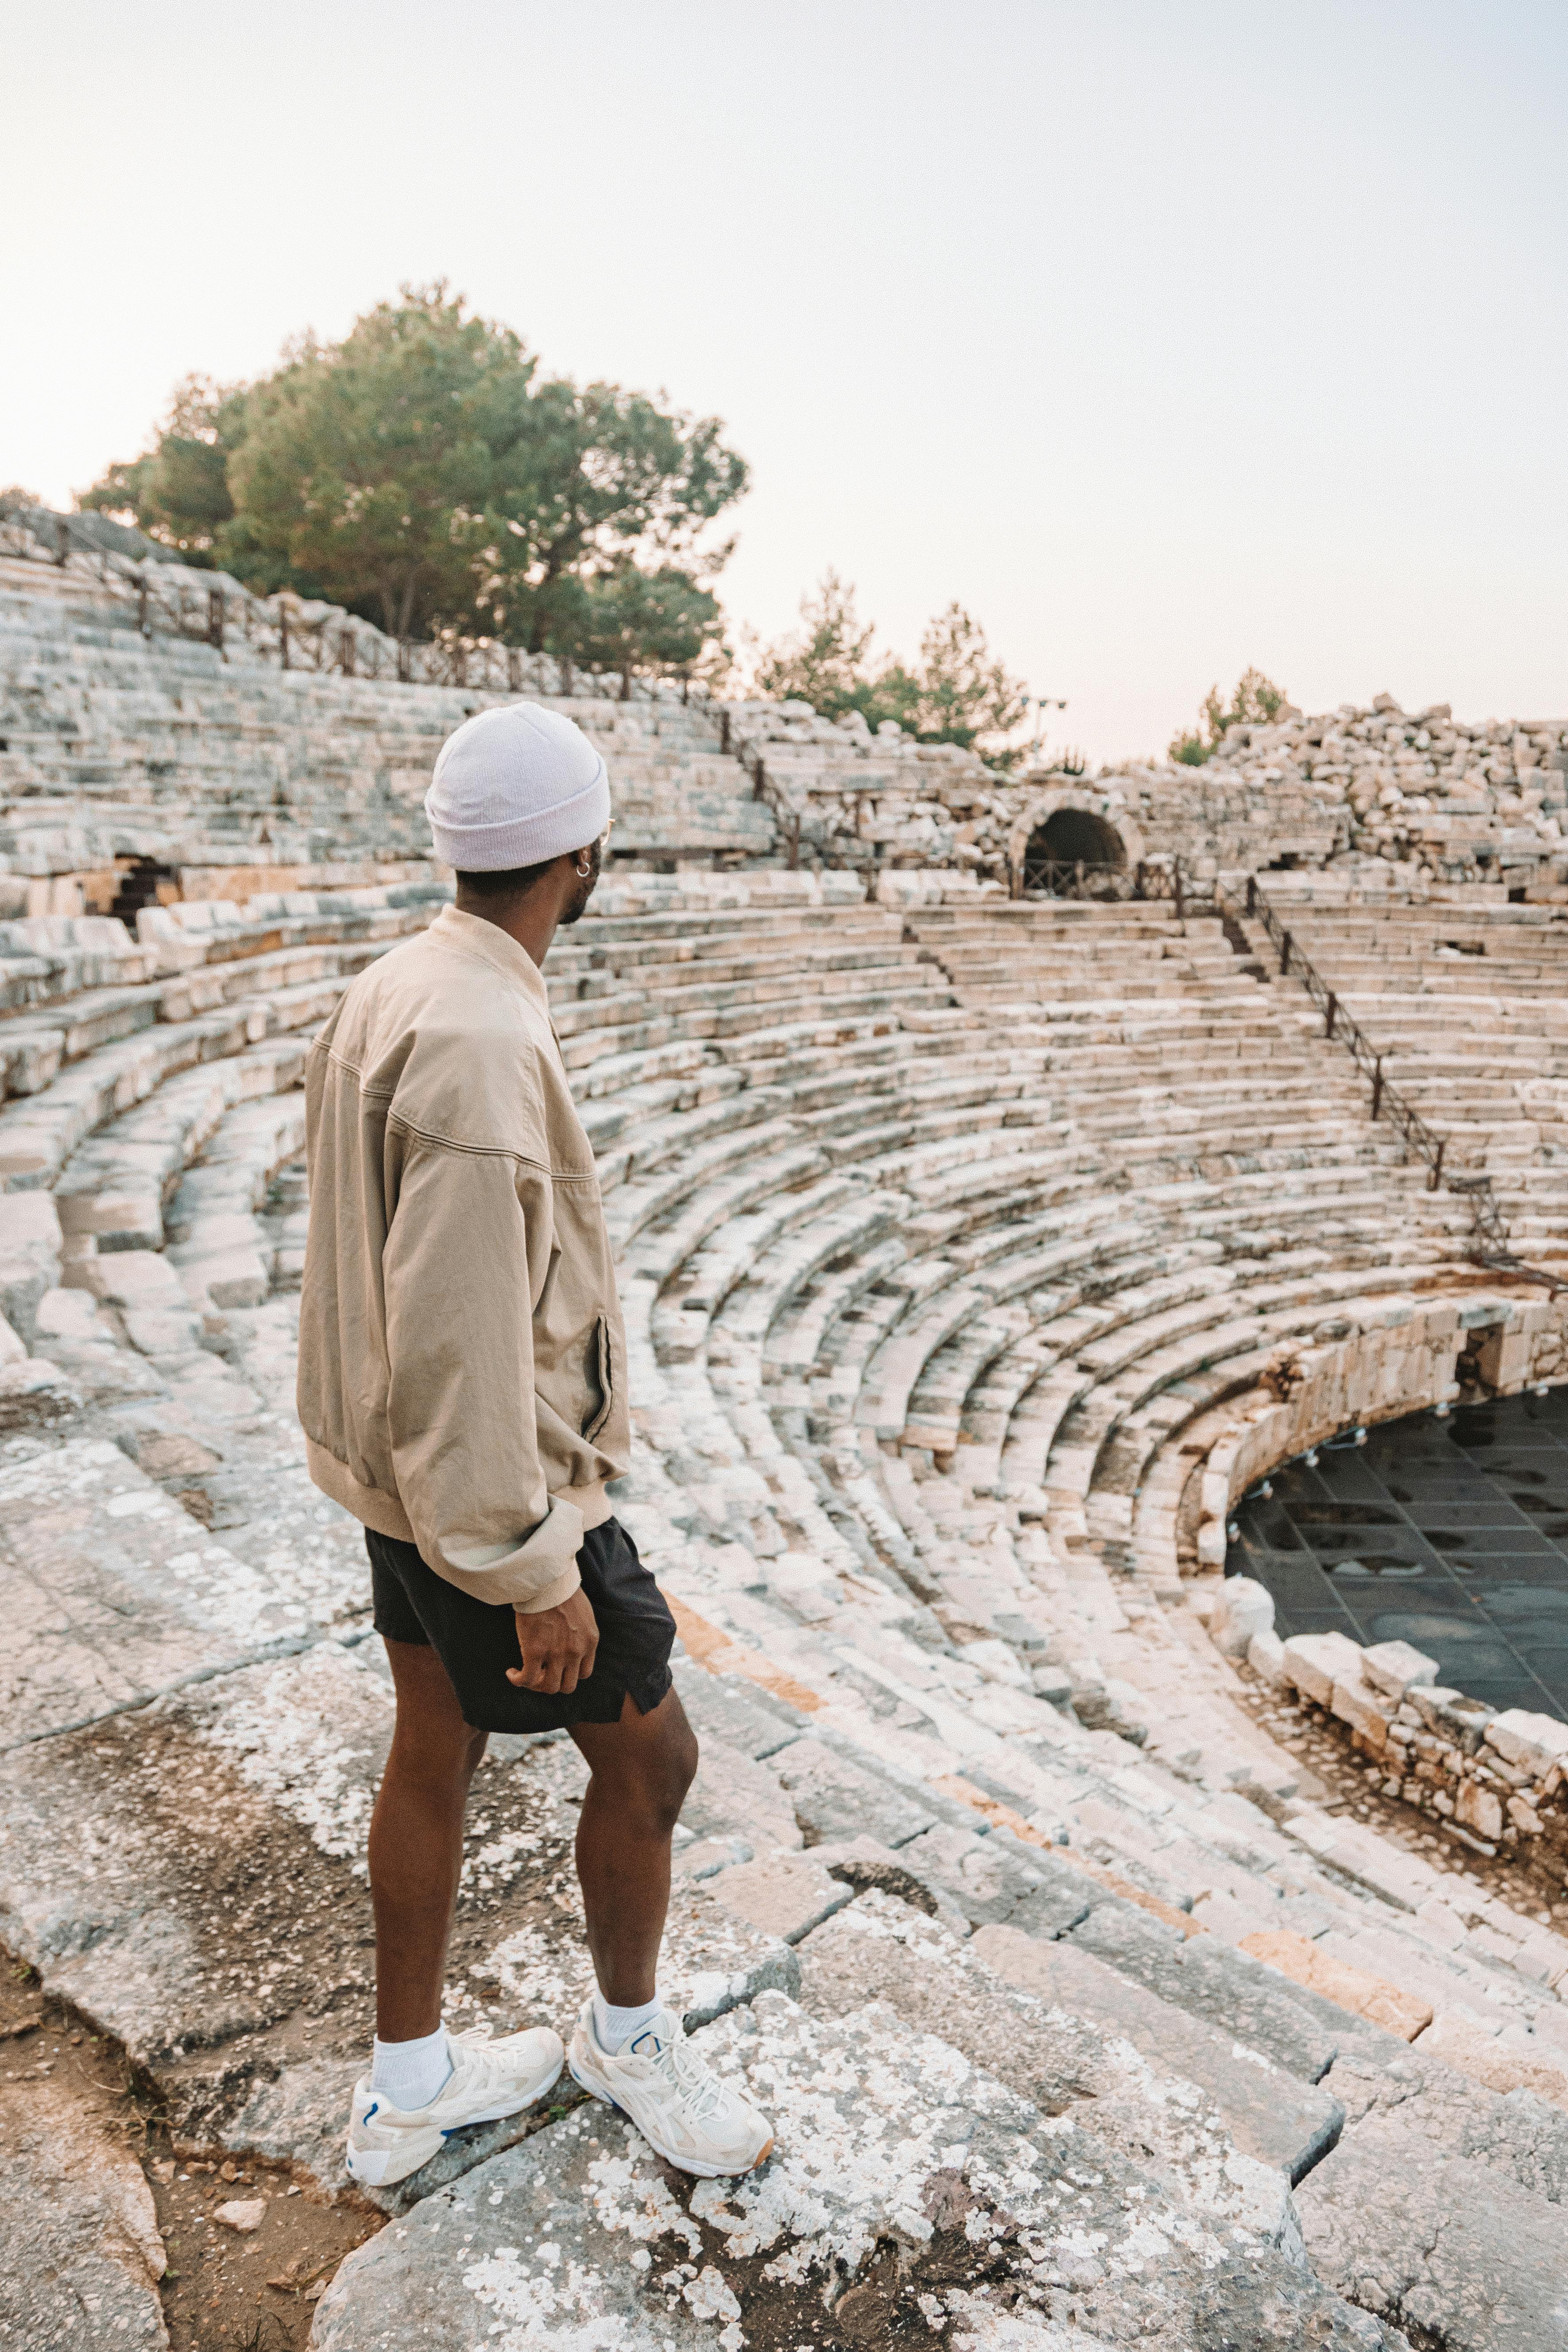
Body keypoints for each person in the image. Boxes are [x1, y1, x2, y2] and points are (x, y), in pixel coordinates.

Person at [296, 701, 774, 2189]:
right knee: (654, 1761)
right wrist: (533, 1569)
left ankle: (408, 2089)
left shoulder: (407, 978)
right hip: (485, 1492)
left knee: (430, 1739)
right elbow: (460, 1337)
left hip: (391, 1470)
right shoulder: (486, 1040)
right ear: (583, 851)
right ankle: (628, 2040)